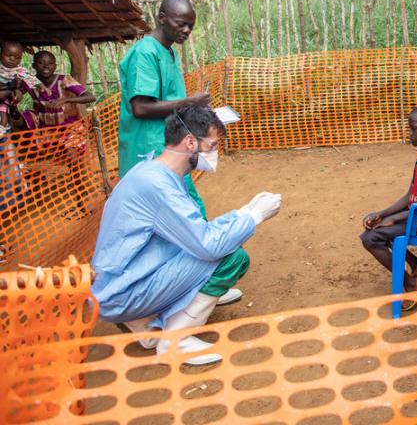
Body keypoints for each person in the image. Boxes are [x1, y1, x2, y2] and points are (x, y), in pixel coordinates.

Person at [91, 106, 282, 365]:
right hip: (123, 292)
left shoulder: (154, 173)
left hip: (119, 282)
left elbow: (193, 231)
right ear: (190, 142)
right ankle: (176, 341)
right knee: (231, 257)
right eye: (212, 145)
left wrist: (244, 212)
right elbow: (208, 245)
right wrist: (253, 216)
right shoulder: (159, 186)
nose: (215, 153)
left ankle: (144, 324)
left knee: (214, 244)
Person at [117, 0, 211, 216]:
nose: (187, 30)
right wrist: (189, 102)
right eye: (181, 24)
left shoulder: (169, 53)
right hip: (150, 149)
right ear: (162, 18)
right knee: (176, 213)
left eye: (190, 26)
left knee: (184, 208)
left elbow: (170, 100)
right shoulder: (145, 53)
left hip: (171, 146)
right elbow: (141, 108)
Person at [361, 104, 417, 311]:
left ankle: (412, 284)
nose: (409, 133)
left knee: (371, 238)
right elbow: (409, 196)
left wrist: (396, 218)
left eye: (414, 128)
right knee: (377, 228)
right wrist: (382, 213)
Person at [19, 50, 96, 129]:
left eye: (50, 63)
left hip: (69, 126)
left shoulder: (64, 80)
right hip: (44, 126)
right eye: (41, 63)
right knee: (23, 116)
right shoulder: (31, 81)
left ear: (55, 66)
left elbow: (91, 97)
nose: (46, 66)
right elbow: (17, 94)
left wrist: (65, 100)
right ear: (33, 65)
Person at [0, 41, 39, 134]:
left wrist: (16, 91)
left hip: (5, 103)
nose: (12, 59)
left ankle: (2, 130)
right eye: (8, 55)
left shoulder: (18, 71)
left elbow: (30, 79)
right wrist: (9, 92)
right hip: (5, 97)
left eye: (17, 57)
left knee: (4, 113)